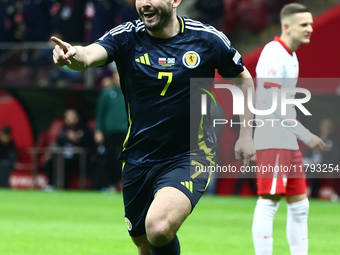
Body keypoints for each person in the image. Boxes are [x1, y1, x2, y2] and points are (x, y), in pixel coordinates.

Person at [51, 0, 256, 254]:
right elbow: (88, 56)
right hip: (139, 157)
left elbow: (244, 80)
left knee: (158, 228)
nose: (145, 3)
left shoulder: (206, 39)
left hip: (190, 154)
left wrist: (246, 134)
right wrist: (72, 54)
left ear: (175, 1)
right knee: (143, 242)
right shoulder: (126, 37)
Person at [252, 3, 326, 255]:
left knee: (300, 205)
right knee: (269, 201)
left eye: (311, 24)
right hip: (272, 137)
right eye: (304, 25)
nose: (310, 29)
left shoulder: (290, 55)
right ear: (287, 26)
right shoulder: (273, 53)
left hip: (287, 140)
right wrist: (306, 135)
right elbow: (271, 105)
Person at [93, 64, 128, 191]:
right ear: (113, 77)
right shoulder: (107, 93)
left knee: (128, 160)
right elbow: (100, 113)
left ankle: (126, 184)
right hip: (110, 132)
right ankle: (111, 184)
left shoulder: (130, 92)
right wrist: (98, 130)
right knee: (110, 159)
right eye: (116, 76)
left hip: (127, 132)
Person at [43, 108, 93, 189]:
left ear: (77, 117)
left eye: (73, 117)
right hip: (63, 156)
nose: (71, 119)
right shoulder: (63, 129)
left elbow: (88, 145)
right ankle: (52, 185)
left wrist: (76, 141)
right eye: (68, 117)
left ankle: (63, 187)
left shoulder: (84, 129)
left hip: (78, 158)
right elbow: (59, 144)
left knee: (65, 164)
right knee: (50, 162)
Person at [303, 118, 340, 198]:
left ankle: (314, 195)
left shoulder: (335, 141)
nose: (327, 128)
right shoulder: (315, 138)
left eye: (329, 126)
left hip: (325, 165)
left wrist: (320, 164)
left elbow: (335, 157)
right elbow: (308, 153)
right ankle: (294, 193)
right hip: (310, 163)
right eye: (325, 125)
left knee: (315, 171)